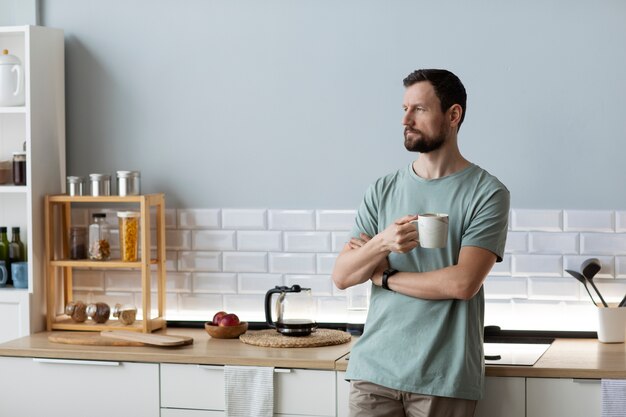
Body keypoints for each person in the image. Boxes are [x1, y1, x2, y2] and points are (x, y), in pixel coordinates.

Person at [332, 68, 510, 417]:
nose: (406, 120)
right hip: (373, 371)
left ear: (453, 115)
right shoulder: (382, 190)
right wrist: (383, 242)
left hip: (443, 377)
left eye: (419, 109)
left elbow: (462, 283)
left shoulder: (487, 193)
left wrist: (385, 278)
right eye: (404, 109)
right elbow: (342, 276)